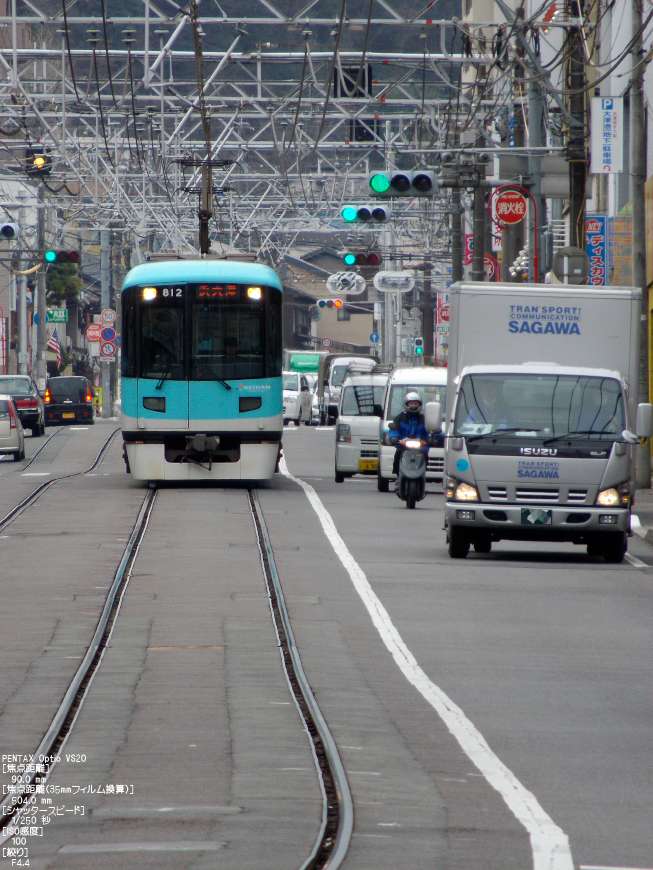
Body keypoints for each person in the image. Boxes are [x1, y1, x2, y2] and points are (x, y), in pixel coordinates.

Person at [389, 391, 430, 478]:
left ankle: (422, 473)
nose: (413, 406)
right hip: (403, 445)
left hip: (421, 446)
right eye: (411, 403)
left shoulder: (425, 419)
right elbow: (393, 429)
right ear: (406, 404)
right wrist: (393, 438)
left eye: (415, 403)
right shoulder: (400, 417)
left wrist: (431, 438)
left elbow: (430, 431)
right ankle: (397, 474)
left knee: (425, 455)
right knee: (398, 453)